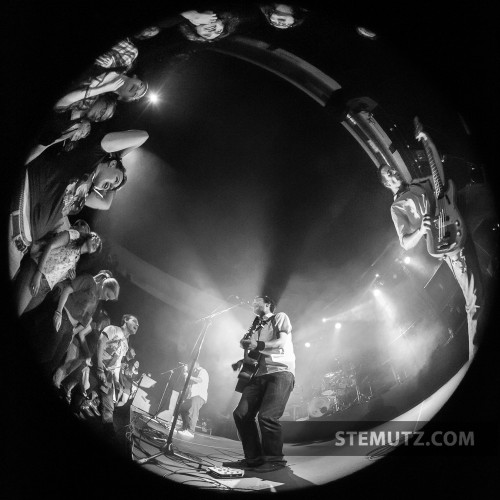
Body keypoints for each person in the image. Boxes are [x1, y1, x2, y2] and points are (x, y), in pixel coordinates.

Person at [379, 152, 483, 360]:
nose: (393, 172)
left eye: (392, 169)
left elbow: (440, 177)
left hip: (461, 217)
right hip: (449, 241)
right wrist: (420, 230)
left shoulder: (418, 184)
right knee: (475, 300)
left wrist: (428, 143)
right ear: (386, 183)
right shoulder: (396, 207)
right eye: (388, 174)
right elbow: (405, 242)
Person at [8, 128, 148, 279]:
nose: (110, 187)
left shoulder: (86, 193)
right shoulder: (91, 155)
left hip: (20, 245)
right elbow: (143, 136)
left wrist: (114, 183)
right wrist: (119, 155)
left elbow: (106, 204)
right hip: (15, 213)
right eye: (115, 180)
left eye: (113, 188)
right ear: (112, 163)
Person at [226, 295, 295, 472]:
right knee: (241, 415)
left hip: (280, 371)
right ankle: (254, 459)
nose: (253, 302)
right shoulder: (256, 326)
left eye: (257, 300)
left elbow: (281, 343)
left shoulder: (280, 317)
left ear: (267, 304)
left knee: (267, 416)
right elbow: (255, 354)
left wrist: (256, 344)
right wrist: (243, 360)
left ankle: (274, 461)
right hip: (258, 375)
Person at [48, 271, 120, 385]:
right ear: (103, 285)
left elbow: (86, 320)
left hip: (70, 327)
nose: (106, 299)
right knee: (49, 354)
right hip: (64, 316)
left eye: (109, 299)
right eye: (107, 294)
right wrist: (59, 311)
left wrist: (73, 332)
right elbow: (67, 289)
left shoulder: (96, 299)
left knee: (55, 361)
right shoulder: (89, 281)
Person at [13, 228, 102, 316]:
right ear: (89, 236)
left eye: (97, 247)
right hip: (36, 271)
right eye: (96, 238)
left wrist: (68, 277)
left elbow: (57, 273)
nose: (96, 243)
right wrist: (39, 272)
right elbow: (50, 245)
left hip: (45, 289)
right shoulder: (75, 236)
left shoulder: (77, 258)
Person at [95, 314, 139, 438]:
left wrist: (116, 380)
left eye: (138, 324)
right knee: (79, 384)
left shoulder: (125, 343)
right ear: (125, 320)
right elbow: (100, 344)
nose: (137, 325)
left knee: (109, 405)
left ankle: (109, 434)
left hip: (108, 373)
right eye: (134, 321)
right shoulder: (113, 329)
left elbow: (117, 362)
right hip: (96, 365)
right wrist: (99, 368)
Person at [178, 360, 209, 438]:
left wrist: (189, 376)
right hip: (192, 396)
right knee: (182, 408)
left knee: (193, 412)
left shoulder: (202, 371)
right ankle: (184, 428)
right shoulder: (194, 372)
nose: (190, 366)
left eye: (192, 364)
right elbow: (189, 383)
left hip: (199, 395)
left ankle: (191, 431)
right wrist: (186, 375)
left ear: (196, 364)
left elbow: (200, 380)